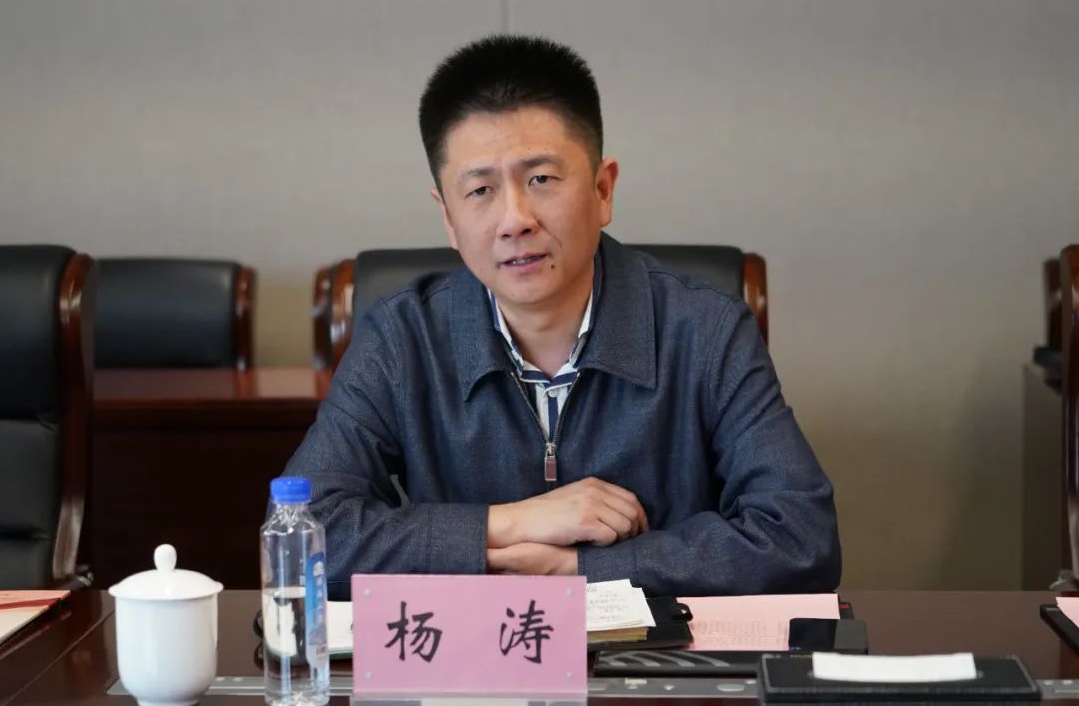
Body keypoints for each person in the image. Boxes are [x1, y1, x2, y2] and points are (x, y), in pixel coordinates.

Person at [283, 34, 841, 597]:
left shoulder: (706, 330)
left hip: (658, 652)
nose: (514, 220)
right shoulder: (402, 338)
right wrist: (512, 522)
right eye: (480, 190)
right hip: (471, 653)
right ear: (448, 217)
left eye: (541, 179)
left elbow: (800, 538)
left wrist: (580, 570)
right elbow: (302, 533)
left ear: (603, 189)